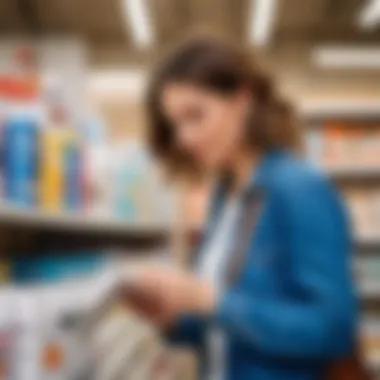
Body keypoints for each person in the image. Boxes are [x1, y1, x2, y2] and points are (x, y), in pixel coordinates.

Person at [123, 35, 357, 380]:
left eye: (195, 115)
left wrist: (212, 300)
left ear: (242, 101)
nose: (184, 138)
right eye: (175, 124)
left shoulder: (299, 189)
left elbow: (333, 329)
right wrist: (170, 317)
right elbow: (225, 333)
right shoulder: (224, 196)